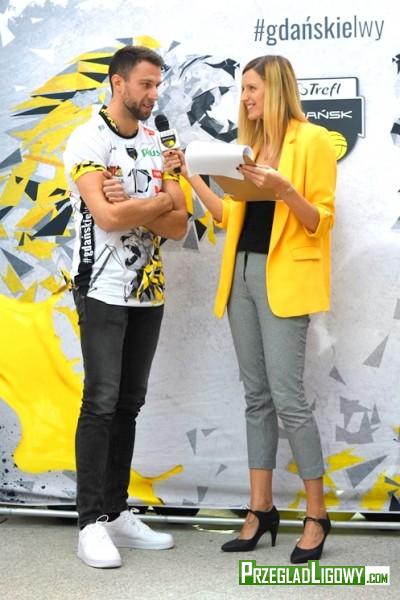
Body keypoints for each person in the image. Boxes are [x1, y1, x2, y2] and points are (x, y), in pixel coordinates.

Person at [163, 54, 336, 564]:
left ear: (276, 89)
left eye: (252, 88)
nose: (245, 97)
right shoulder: (249, 147)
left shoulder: (313, 141)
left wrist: (283, 189)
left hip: (285, 279)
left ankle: (317, 514)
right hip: (240, 275)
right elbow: (226, 217)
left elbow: (320, 221)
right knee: (256, 397)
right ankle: (260, 510)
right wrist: (193, 176)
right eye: (243, 89)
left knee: (289, 398)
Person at [63, 45, 187, 569]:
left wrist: (136, 203)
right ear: (118, 83)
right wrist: (156, 201)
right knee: (101, 401)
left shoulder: (158, 140)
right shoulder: (89, 138)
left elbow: (178, 224)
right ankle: (89, 522)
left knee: (129, 403)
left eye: (157, 85)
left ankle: (115, 512)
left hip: (148, 291)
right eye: (145, 84)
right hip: (101, 287)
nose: (154, 94)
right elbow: (107, 218)